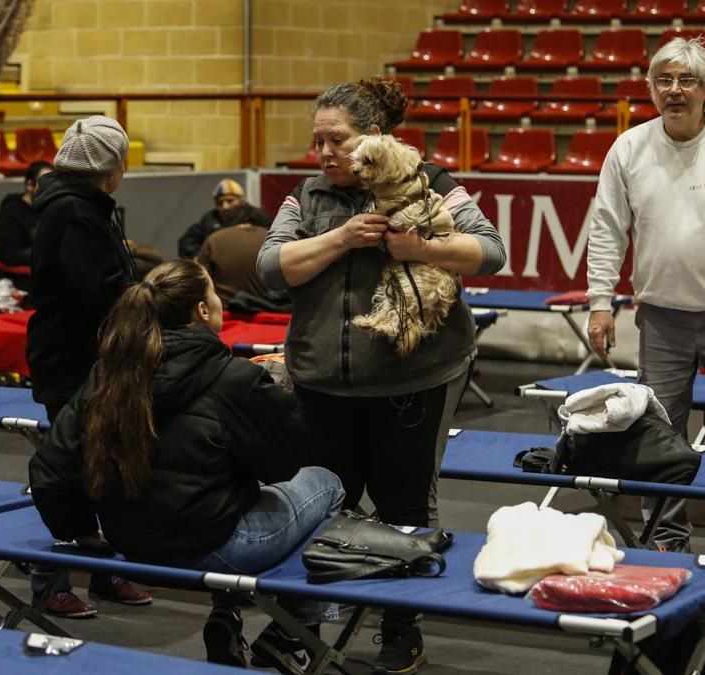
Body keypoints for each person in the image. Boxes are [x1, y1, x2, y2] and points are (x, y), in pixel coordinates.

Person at [256, 77, 506, 675]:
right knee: (317, 507)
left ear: (373, 138)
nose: (323, 153)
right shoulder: (307, 196)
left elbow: (490, 250)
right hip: (321, 384)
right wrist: (341, 238)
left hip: (410, 383)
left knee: (404, 506)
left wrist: (420, 248)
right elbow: (269, 268)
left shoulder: (432, 184)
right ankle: (303, 624)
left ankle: (402, 627)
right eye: (317, 141)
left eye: (336, 140)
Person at [29, 260, 345, 672]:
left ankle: (227, 617)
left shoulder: (109, 373)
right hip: (217, 548)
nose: (219, 300)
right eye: (214, 292)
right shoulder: (233, 379)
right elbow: (283, 467)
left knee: (225, 499)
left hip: (130, 541)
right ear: (201, 310)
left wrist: (83, 532)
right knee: (327, 482)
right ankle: (293, 629)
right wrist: (279, 396)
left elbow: (50, 470)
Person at [584, 38, 705, 570]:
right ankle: (667, 534)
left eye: (686, 80)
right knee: (661, 433)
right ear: (651, 90)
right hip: (662, 318)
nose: (674, 90)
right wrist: (600, 302)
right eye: (663, 81)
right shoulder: (628, 148)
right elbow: (606, 230)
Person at [26, 115, 151, 616]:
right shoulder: (75, 212)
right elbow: (102, 292)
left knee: (108, 467)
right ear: (111, 167)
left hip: (91, 358)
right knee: (70, 470)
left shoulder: (82, 206)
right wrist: (153, 300)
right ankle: (50, 581)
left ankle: (106, 569)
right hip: (72, 361)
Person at [0, 160, 53, 291]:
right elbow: (8, 254)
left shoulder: (50, 208)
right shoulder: (11, 210)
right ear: (30, 185)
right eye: (46, 185)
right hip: (24, 278)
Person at [178, 178, 272, 259]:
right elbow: (187, 243)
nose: (225, 206)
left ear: (241, 200)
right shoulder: (210, 219)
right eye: (220, 203)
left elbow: (275, 239)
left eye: (230, 201)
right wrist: (199, 256)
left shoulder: (257, 216)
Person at [196, 221, 278, 310]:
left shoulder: (214, 238)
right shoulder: (276, 239)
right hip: (272, 312)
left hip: (226, 312)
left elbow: (199, 280)